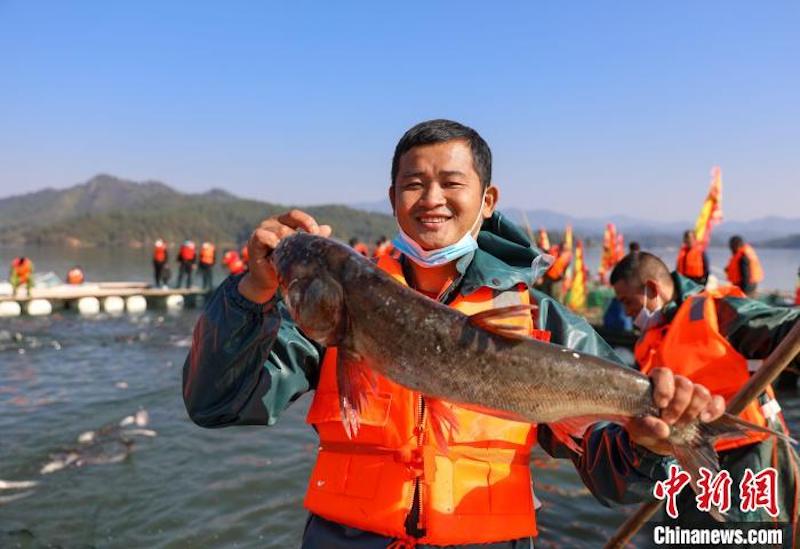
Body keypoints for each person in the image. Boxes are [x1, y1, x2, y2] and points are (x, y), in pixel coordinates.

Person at [183, 119, 727, 548]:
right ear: (393, 196)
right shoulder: (328, 319)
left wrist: (648, 443)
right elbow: (216, 403)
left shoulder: (541, 322)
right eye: (413, 184)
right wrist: (251, 293)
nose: (431, 198)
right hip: (348, 541)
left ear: (488, 200)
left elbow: (616, 482)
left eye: (452, 182)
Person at [611, 251, 799, 537]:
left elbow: (779, 329)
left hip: (745, 457)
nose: (625, 313)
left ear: (651, 289)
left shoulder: (717, 309)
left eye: (627, 302)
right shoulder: (650, 341)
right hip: (685, 463)